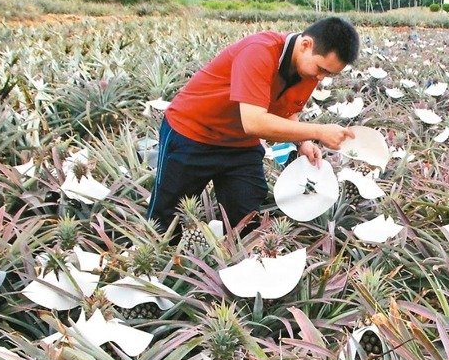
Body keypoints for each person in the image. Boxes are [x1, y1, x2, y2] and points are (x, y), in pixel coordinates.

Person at [147, 17, 360, 234]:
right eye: (321, 69)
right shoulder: (259, 51)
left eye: (329, 74)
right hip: (193, 134)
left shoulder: (308, 70)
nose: (321, 78)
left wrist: (303, 142)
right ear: (306, 45)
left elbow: (287, 110)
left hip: (240, 144)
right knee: (166, 219)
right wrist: (318, 131)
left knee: (247, 219)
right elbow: (254, 122)